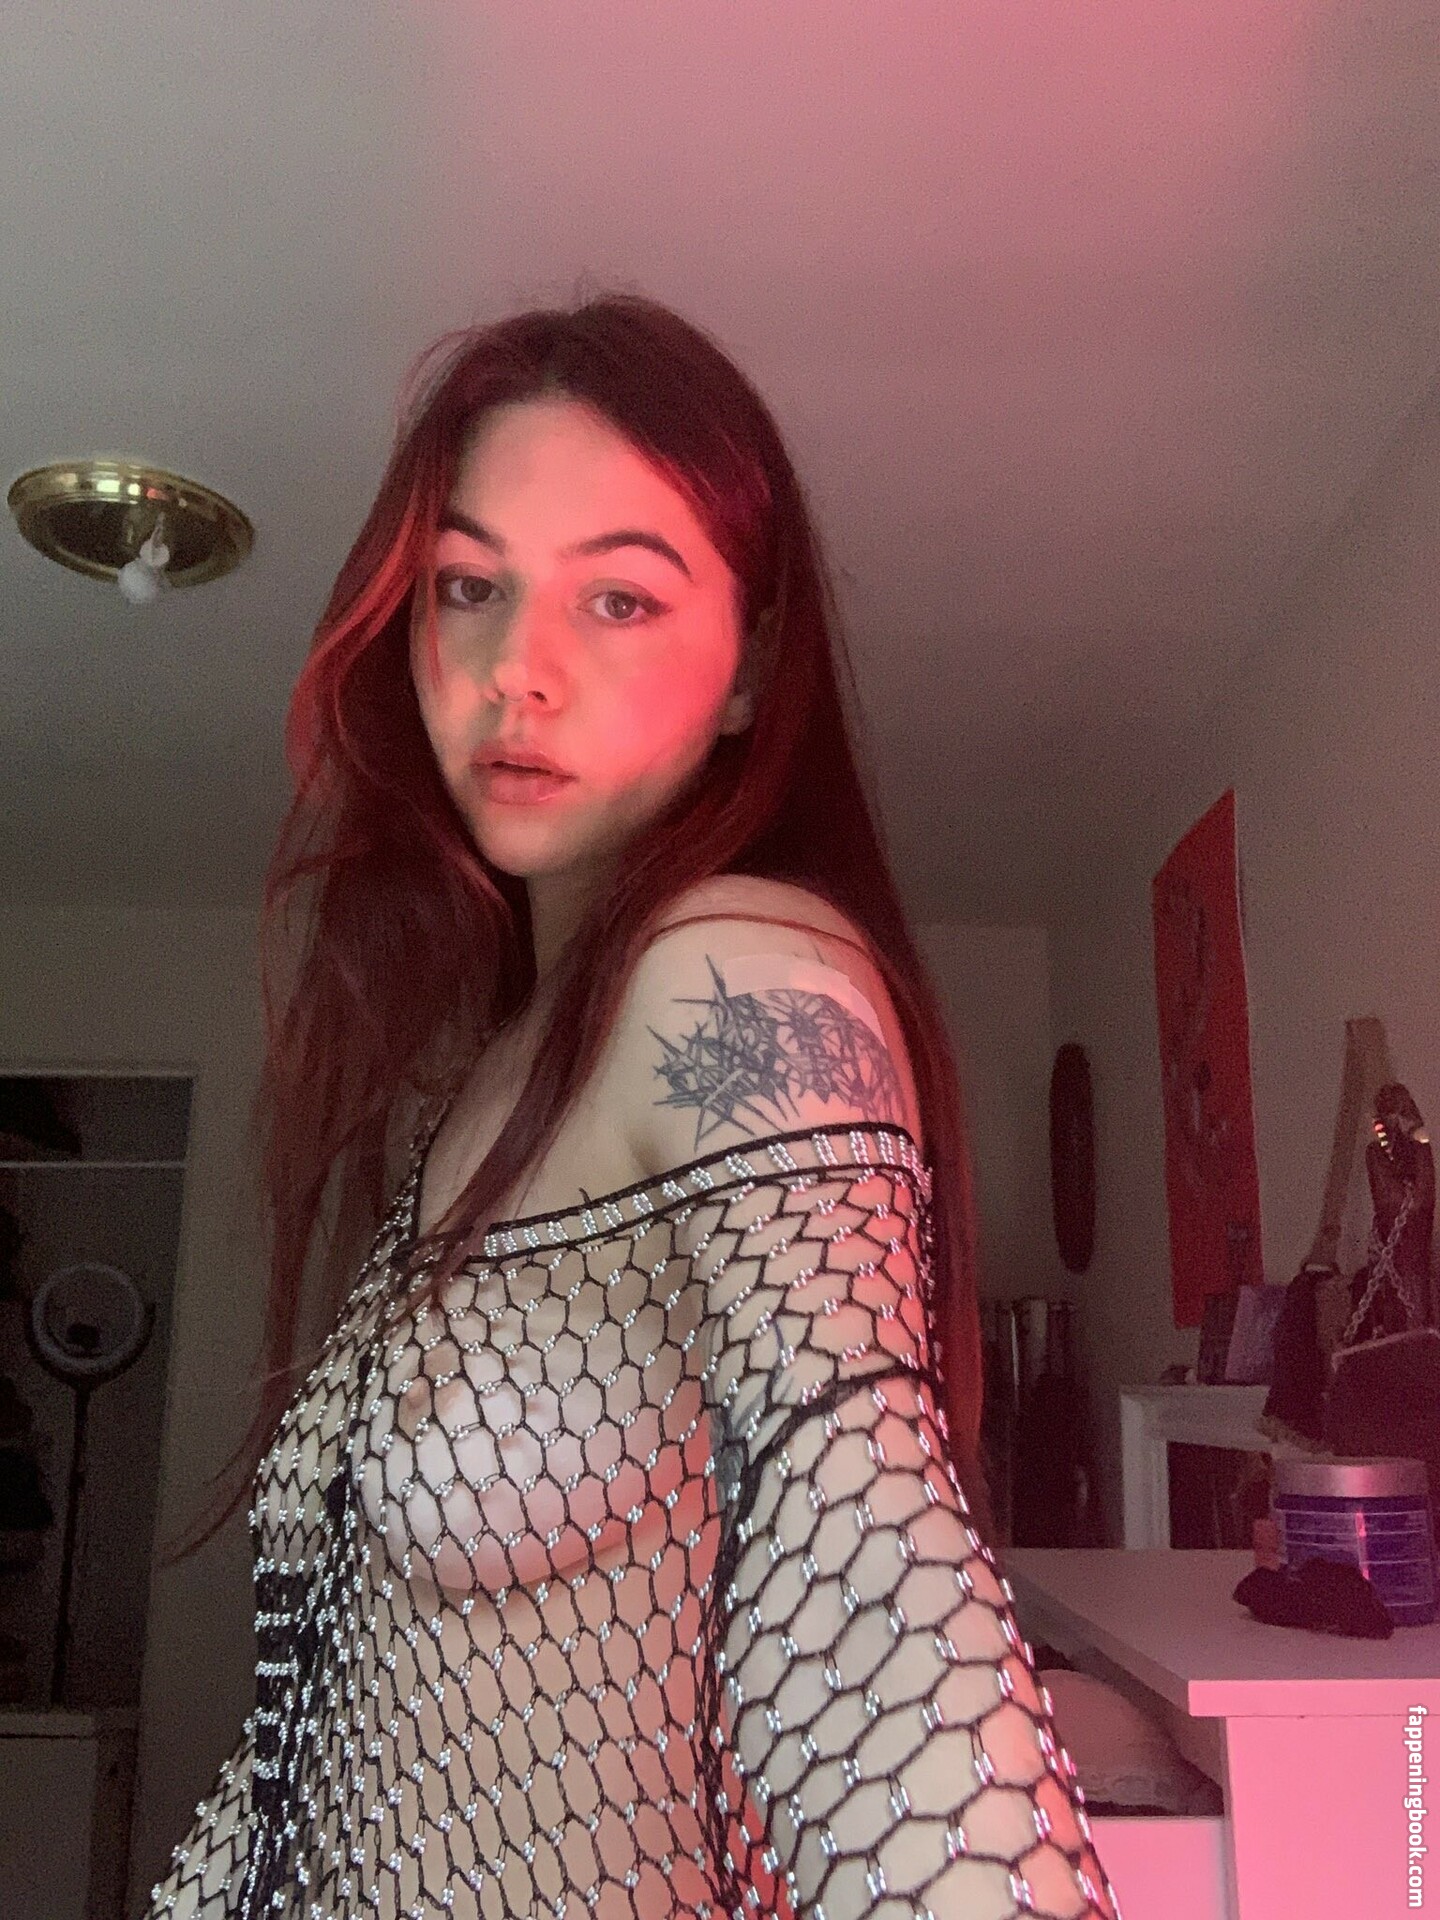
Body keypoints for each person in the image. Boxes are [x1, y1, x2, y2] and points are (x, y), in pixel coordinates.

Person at [146, 292, 1117, 1920]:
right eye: (469, 586)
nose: (514, 672)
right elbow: (323, 1717)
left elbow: (865, 1543)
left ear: (752, 672)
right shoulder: (479, 1081)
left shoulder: (734, 974)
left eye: (619, 597)